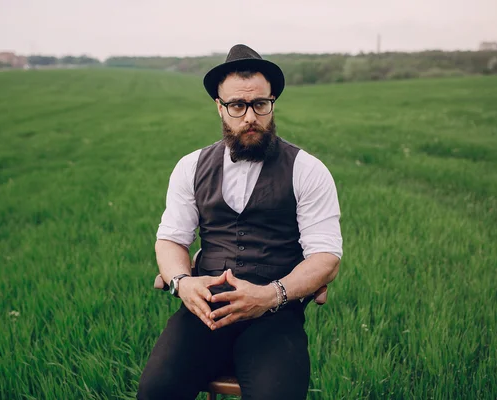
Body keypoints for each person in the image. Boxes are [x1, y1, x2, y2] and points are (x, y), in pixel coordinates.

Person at [137, 44, 343, 400]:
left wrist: (269, 295)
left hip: (275, 314)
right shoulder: (191, 167)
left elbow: (326, 256)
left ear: (272, 103)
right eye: (237, 106)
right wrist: (183, 283)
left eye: (260, 104)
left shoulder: (308, 170)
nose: (250, 117)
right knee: (156, 392)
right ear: (219, 107)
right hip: (206, 310)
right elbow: (171, 240)